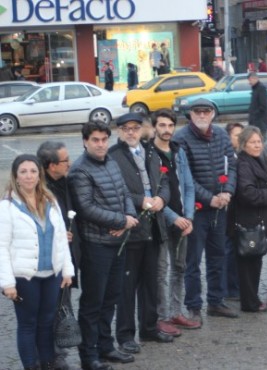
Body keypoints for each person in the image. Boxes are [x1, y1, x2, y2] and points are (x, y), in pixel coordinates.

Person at [68, 121, 139, 370]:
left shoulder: (111, 161)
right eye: (95, 140)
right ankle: (89, 356)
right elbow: (86, 209)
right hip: (96, 245)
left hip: (118, 240)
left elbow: (125, 194)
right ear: (85, 141)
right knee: (92, 303)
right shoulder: (79, 170)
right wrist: (122, 220)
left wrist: (128, 221)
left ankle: (106, 347)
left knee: (111, 298)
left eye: (104, 139)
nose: (100, 144)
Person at [0, 154, 74, 370]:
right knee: (27, 325)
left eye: (33, 171)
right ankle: (30, 366)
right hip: (24, 277)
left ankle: (48, 364)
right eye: (23, 172)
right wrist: (7, 284)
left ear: (39, 174)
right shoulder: (7, 207)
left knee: (47, 323)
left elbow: (61, 238)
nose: (29, 176)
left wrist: (67, 270)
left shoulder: (50, 201)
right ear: (16, 176)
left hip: (52, 274)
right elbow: (1, 246)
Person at [108, 113, 174, 354]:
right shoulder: (113, 157)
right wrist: (140, 201)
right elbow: (115, 190)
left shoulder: (150, 152)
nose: (131, 132)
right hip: (132, 229)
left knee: (150, 283)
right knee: (127, 286)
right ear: (119, 132)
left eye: (135, 128)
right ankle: (125, 335)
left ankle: (149, 326)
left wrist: (161, 199)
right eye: (126, 128)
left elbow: (164, 182)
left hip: (154, 227)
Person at [172, 98, 238, 323]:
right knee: (193, 261)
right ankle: (194, 306)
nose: (201, 115)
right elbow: (185, 176)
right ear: (190, 115)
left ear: (212, 114)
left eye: (206, 111)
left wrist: (227, 192)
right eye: (197, 111)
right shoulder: (181, 138)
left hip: (220, 207)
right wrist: (210, 199)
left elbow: (232, 166)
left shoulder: (220, 135)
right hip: (196, 209)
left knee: (218, 256)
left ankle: (216, 301)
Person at [151, 109, 199, 336]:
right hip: (160, 220)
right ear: (154, 127)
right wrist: (174, 217)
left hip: (183, 219)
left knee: (180, 267)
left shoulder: (178, 152)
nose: (166, 130)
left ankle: (176, 312)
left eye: (170, 125)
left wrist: (188, 217)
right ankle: (161, 317)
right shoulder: (148, 153)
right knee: (161, 271)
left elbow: (188, 186)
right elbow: (150, 192)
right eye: (162, 125)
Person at [36, 141, 79, 370]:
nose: (69, 163)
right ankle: (48, 356)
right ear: (52, 165)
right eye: (65, 160)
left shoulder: (64, 182)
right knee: (49, 309)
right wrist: (57, 236)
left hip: (66, 258)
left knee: (62, 305)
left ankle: (57, 352)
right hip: (47, 262)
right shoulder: (39, 190)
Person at [234, 126, 267, 312]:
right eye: (253, 142)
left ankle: (253, 299)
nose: (257, 145)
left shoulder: (257, 160)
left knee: (255, 261)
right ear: (243, 144)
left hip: (255, 220)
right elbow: (247, 193)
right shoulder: (244, 164)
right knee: (248, 263)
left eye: (259, 141)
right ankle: (250, 303)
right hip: (248, 221)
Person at [223, 123, 244, 301]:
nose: (241, 138)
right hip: (228, 210)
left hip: (241, 211)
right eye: (237, 135)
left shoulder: (243, 156)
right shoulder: (227, 157)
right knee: (228, 250)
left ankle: (238, 285)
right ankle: (230, 289)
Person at [247, 72, 267, 139]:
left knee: (262, 140)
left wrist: (255, 114)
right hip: (256, 121)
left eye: (250, 80)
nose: (249, 83)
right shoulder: (255, 89)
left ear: (255, 79)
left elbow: (263, 105)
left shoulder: (261, 88)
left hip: (260, 122)